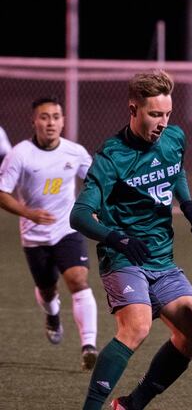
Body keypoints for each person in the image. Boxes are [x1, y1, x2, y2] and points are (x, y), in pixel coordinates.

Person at [70, 70, 192, 409]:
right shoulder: (111, 157)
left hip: (161, 258)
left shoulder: (174, 138)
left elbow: (175, 168)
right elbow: (79, 215)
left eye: (167, 114)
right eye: (154, 114)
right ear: (133, 109)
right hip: (123, 258)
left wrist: (187, 204)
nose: (162, 122)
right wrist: (117, 239)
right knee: (138, 326)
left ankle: (132, 404)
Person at [0, 97, 99, 370]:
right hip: (34, 235)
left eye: (56, 117)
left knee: (78, 279)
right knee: (47, 289)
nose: (51, 122)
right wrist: (28, 213)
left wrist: (94, 205)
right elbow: (2, 193)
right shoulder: (19, 154)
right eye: (44, 117)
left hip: (68, 227)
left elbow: (95, 180)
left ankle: (88, 345)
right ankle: (53, 315)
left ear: (63, 121)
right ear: (34, 121)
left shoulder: (75, 152)